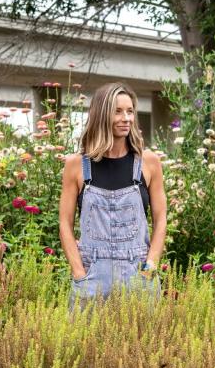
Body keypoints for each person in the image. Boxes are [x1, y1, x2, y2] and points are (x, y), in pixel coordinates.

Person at [58, 82, 167, 307]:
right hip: (91, 276)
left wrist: (150, 267)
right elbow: (64, 224)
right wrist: (79, 273)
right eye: (117, 111)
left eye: (130, 111)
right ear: (101, 114)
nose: (126, 118)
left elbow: (161, 218)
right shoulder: (76, 166)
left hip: (138, 274)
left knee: (141, 342)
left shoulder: (149, 163)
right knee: (85, 342)